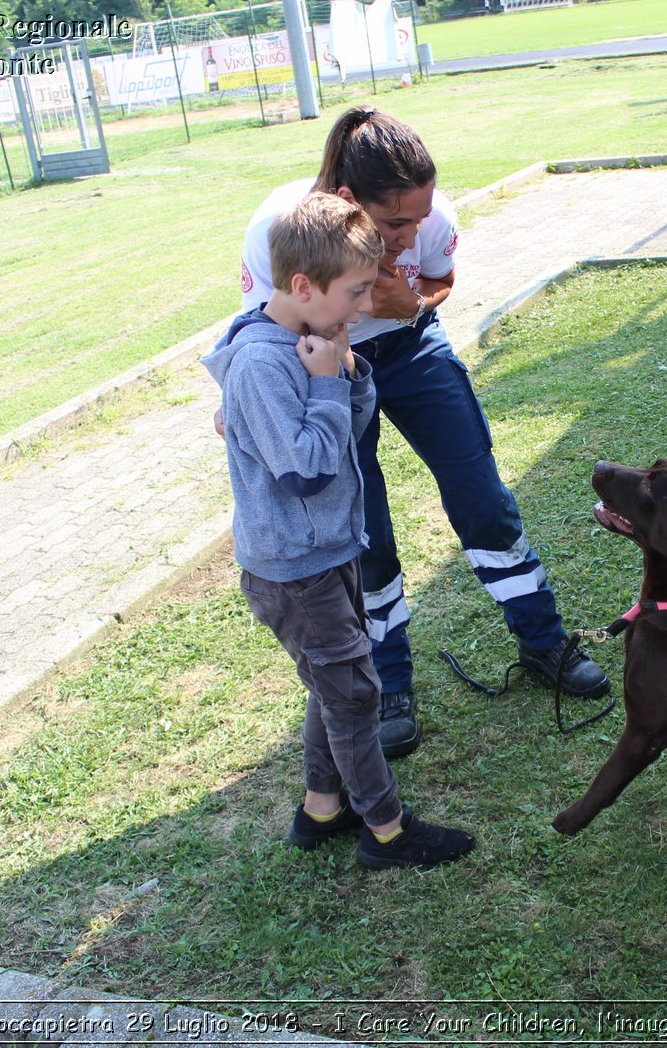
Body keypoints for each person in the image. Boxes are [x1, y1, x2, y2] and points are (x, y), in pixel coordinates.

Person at [229, 107, 611, 761]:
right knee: (366, 529)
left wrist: (417, 306)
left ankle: (543, 638)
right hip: (328, 369)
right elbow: (261, 329)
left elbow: (440, 282)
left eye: (420, 217)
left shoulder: (432, 217)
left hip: (412, 351)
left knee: (481, 495)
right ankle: (391, 683)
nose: (412, 235)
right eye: (395, 223)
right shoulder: (277, 230)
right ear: (348, 202)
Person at [202, 193, 475, 870]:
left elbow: (347, 434)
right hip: (297, 570)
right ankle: (385, 828)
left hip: (326, 551)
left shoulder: (316, 341)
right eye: (353, 292)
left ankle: (322, 806)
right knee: (355, 692)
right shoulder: (267, 363)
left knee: (338, 684)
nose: (361, 305)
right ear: (302, 285)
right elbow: (307, 472)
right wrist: (325, 382)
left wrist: (347, 376)